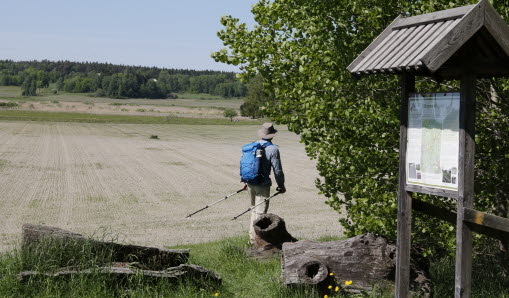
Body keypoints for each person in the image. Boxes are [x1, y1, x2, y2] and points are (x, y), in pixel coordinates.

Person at [245, 122, 286, 244]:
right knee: (261, 213)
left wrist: (246, 181)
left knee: (254, 209)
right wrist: (281, 185)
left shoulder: (253, 146)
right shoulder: (273, 149)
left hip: (250, 183)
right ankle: (258, 241)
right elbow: (277, 170)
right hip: (263, 184)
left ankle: (252, 239)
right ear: (272, 135)